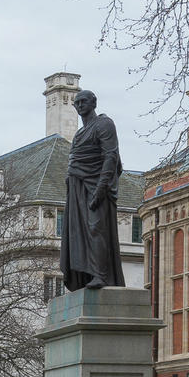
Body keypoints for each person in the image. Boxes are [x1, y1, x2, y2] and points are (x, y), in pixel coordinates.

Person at [60, 90, 126, 291]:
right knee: (77, 234)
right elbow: (76, 160)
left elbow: (111, 157)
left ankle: (101, 275)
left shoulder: (104, 124)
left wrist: (101, 188)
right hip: (77, 187)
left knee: (96, 228)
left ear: (93, 103)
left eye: (83, 101)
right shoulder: (79, 134)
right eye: (77, 102)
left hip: (95, 186)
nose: (79, 105)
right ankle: (85, 276)